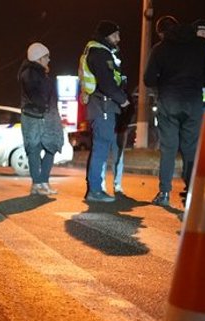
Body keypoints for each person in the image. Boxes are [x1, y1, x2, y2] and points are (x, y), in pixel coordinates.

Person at [143, 15, 205, 206]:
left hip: (169, 102)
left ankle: (164, 194)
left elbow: (148, 80)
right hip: (193, 102)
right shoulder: (200, 45)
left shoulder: (160, 49)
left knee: (168, 149)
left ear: (161, 32)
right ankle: (193, 194)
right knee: (191, 149)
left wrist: (164, 83)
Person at [78, 20, 130, 202]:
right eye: (116, 34)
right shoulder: (99, 52)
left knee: (100, 146)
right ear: (107, 35)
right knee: (101, 146)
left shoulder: (97, 50)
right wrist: (123, 100)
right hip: (103, 105)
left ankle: (94, 188)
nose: (119, 38)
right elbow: (107, 82)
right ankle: (94, 190)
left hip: (101, 104)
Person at [18, 42, 64, 195]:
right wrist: (44, 107)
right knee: (35, 149)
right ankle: (37, 183)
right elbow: (36, 94)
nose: (49, 59)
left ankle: (43, 181)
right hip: (35, 118)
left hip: (47, 117)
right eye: (46, 57)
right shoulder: (29, 73)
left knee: (51, 147)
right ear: (39, 58)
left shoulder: (41, 73)